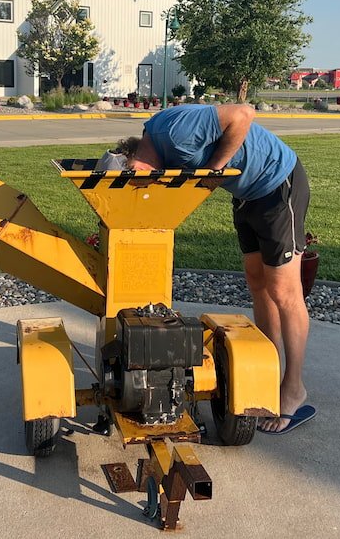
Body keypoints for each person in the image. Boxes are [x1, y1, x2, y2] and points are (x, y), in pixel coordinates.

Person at [116, 103, 314, 434]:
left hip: (279, 183)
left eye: (136, 176)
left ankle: (293, 387)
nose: (142, 183)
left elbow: (243, 114)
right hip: (247, 194)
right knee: (257, 282)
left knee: (283, 291)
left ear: (136, 156)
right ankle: (267, 373)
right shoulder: (159, 149)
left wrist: (212, 169)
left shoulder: (174, 135)